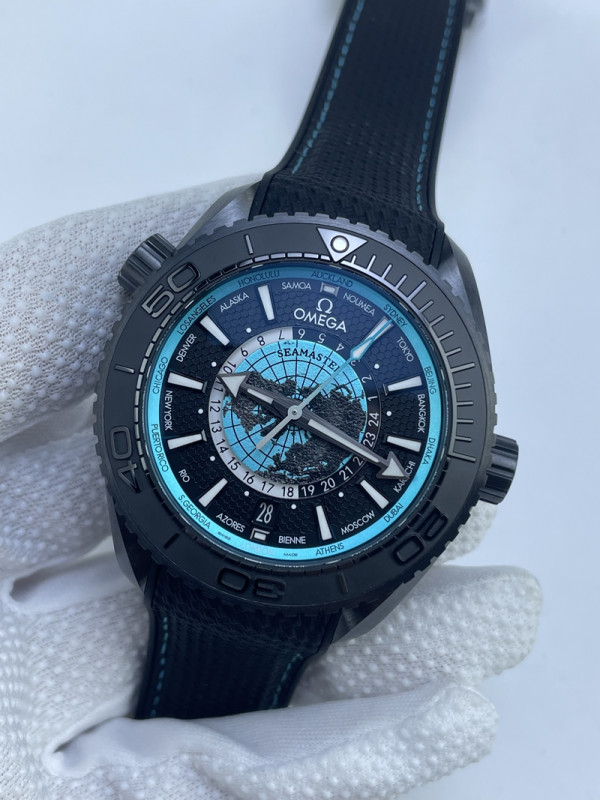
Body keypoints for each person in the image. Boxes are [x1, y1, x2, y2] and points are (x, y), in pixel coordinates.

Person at [0, 179, 541, 799]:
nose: (298, 415)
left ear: (486, 466)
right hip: (198, 544)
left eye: (309, 414)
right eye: (289, 409)